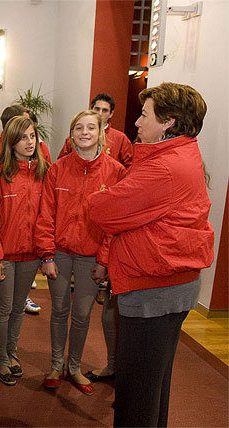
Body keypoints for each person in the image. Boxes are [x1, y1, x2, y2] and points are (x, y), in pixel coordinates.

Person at [88, 82, 214, 427]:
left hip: (154, 289)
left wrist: (104, 190)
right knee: (152, 385)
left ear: (169, 121)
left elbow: (101, 210)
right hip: (167, 284)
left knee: (137, 392)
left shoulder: (165, 168)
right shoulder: (178, 154)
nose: (137, 123)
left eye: (144, 115)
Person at [35, 110, 126, 395]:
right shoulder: (58, 169)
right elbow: (45, 214)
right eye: (78, 128)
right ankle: (55, 365)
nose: (84, 132)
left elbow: (115, 224)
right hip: (59, 253)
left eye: (90, 128)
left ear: (101, 133)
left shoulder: (116, 172)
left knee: (83, 314)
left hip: (92, 258)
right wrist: (46, 255)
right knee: (59, 311)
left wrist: (104, 260)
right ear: (71, 133)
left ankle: (73, 367)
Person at [0, 116, 49, 386]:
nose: (29, 142)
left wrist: (45, 252)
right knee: (4, 308)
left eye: (32, 136)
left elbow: (47, 215)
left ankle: (12, 352)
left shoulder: (43, 172)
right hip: (4, 255)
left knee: (19, 307)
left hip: (30, 254)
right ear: (11, 141)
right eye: (22, 137)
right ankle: (1, 359)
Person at [58, 93, 133, 168]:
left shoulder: (120, 138)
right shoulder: (76, 137)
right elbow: (61, 164)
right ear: (91, 109)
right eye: (97, 109)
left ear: (111, 114)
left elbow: (129, 168)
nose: (100, 113)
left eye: (105, 110)